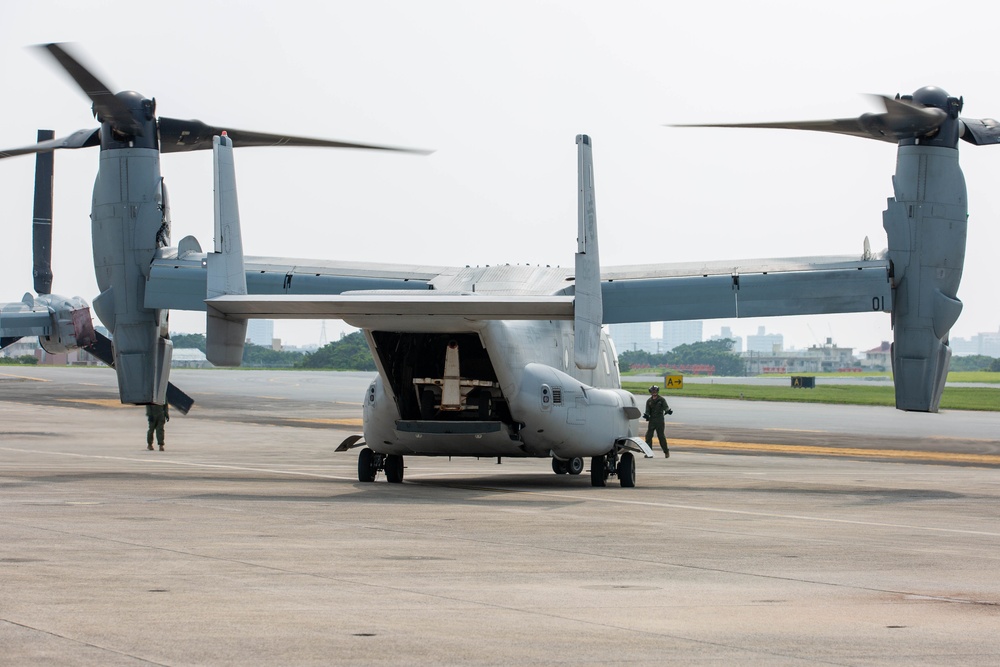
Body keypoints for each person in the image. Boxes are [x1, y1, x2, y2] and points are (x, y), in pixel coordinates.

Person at [643, 385, 672, 458]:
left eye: (655, 391)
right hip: (652, 420)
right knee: (648, 436)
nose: (654, 393)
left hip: (659, 420)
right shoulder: (649, 401)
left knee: (661, 436)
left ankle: (666, 451)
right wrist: (646, 415)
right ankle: (649, 453)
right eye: (652, 391)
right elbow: (647, 411)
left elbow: (666, 407)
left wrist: (668, 411)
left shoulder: (661, 400)